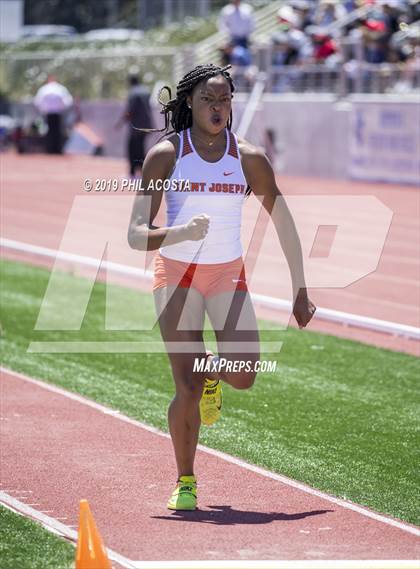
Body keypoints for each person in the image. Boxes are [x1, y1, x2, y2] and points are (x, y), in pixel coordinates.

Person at [127, 64, 316, 511]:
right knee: (186, 388)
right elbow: (136, 235)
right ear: (190, 101)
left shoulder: (248, 157)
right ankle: (185, 479)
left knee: (246, 374)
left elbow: (283, 221)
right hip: (176, 274)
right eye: (210, 99)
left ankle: (211, 369)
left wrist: (300, 288)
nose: (219, 107)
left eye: (226, 99)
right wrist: (181, 232)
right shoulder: (166, 155)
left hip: (226, 273)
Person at [116, 74, 153, 177]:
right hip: (147, 124)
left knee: (132, 148)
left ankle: (133, 172)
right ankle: (142, 171)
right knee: (140, 147)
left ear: (130, 82)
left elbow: (130, 111)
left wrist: (120, 122)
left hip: (137, 126)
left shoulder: (133, 93)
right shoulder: (145, 90)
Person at [34, 75, 73, 154]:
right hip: (56, 113)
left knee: (50, 131)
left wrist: (42, 109)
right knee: (57, 131)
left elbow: (37, 101)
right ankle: (56, 149)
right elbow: (68, 100)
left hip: (50, 113)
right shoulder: (60, 88)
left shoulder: (44, 89)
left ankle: (50, 149)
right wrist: (63, 108)